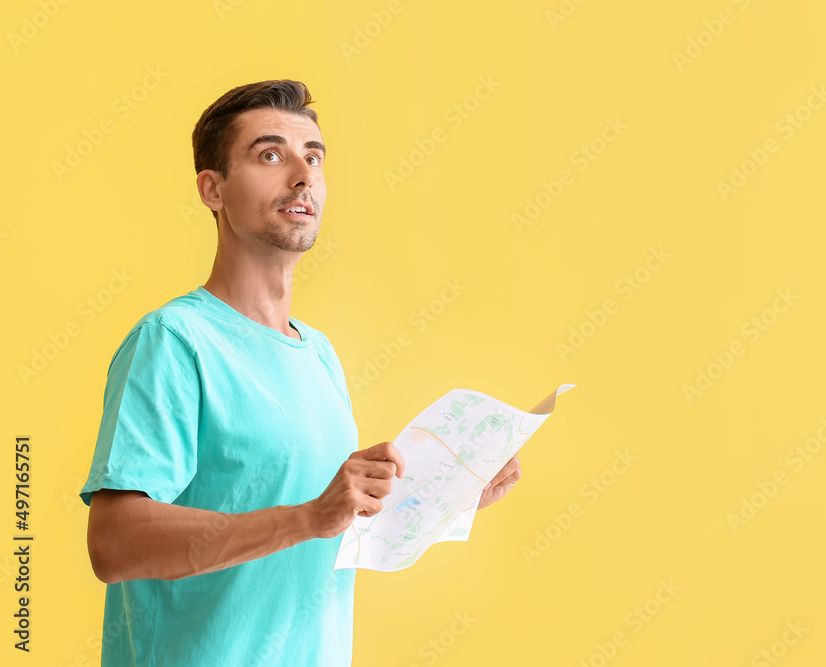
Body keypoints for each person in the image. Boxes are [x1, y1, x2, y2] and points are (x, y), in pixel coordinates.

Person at [79, 79, 522, 667]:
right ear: (213, 189)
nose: (302, 174)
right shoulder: (173, 342)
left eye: (312, 156)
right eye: (270, 154)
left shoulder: (318, 354)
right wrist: (310, 516)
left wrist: (446, 495)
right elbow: (114, 544)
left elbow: (319, 529)